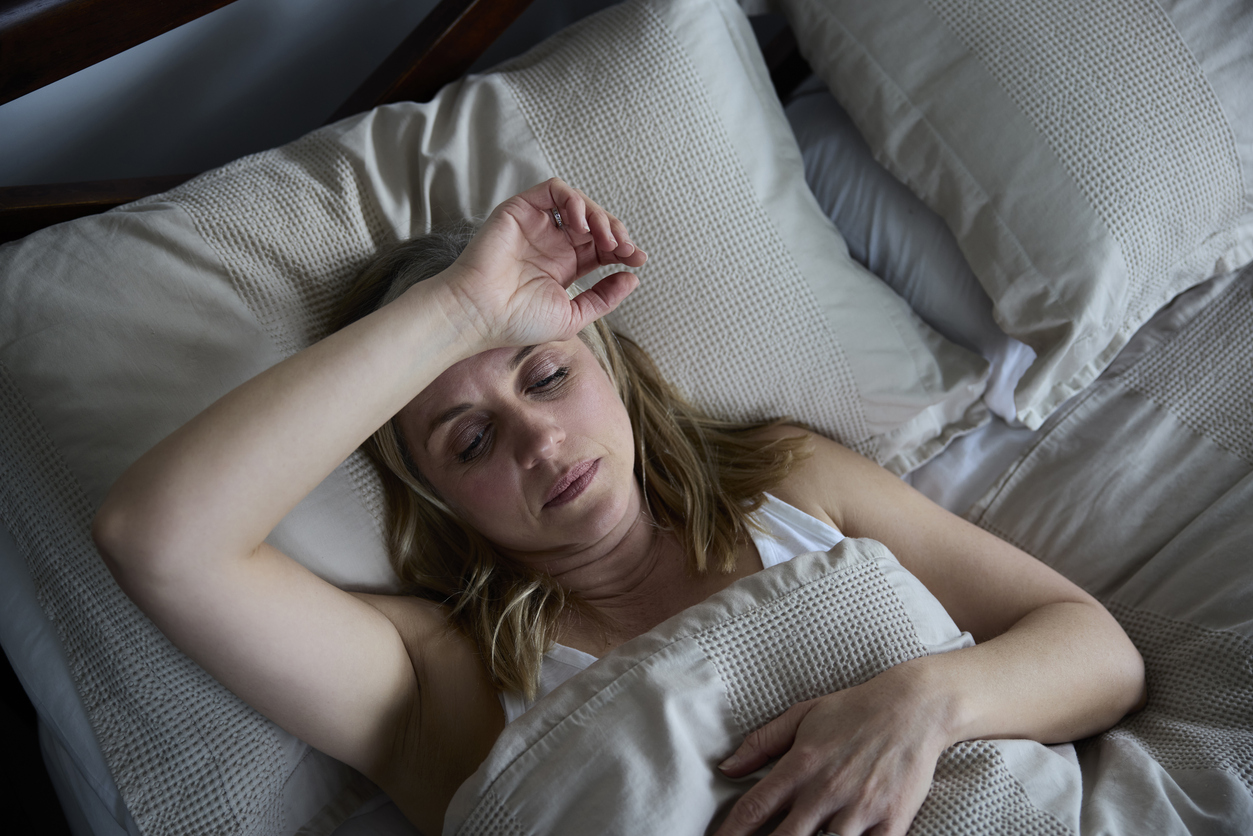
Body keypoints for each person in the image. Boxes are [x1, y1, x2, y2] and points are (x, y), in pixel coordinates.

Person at [93, 179, 1146, 836]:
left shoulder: (786, 478)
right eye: (467, 438)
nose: (537, 440)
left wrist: (920, 702)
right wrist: (459, 309)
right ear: (436, 499)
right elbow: (160, 538)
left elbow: (1095, 651)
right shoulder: (436, 676)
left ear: (612, 367)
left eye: (544, 378)